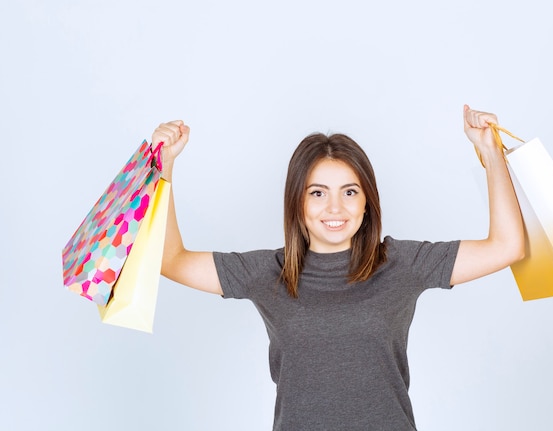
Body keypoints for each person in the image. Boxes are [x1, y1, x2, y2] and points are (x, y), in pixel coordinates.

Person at [153, 105, 525, 431]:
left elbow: (507, 246)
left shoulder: (401, 263)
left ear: (367, 203)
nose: (335, 208)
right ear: (297, 203)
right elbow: (172, 261)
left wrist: (491, 154)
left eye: (350, 192)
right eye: (317, 193)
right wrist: (163, 166)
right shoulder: (269, 272)